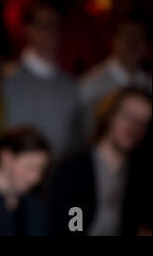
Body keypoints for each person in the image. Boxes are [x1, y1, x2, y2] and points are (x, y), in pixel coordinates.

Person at [48, 87, 152, 236]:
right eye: (128, 116)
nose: (134, 127)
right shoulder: (73, 169)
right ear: (109, 115)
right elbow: (70, 226)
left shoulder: (140, 174)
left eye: (143, 122)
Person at [2, 0, 81, 159]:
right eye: (45, 25)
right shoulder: (5, 79)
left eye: (56, 26)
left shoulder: (71, 86)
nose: (52, 32)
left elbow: (74, 142)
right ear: (28, 29)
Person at [80, 16, 152, 138]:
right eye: (127, 37)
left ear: (146, 45)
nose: (133, 43)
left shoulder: (149, 85)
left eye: (139, 38)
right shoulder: (91, 83)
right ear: (115, 41)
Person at [0, 127, 51, 236]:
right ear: (6, 157)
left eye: (41, 169)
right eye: (29, 167)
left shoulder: (34, 209)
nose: (36, 177)